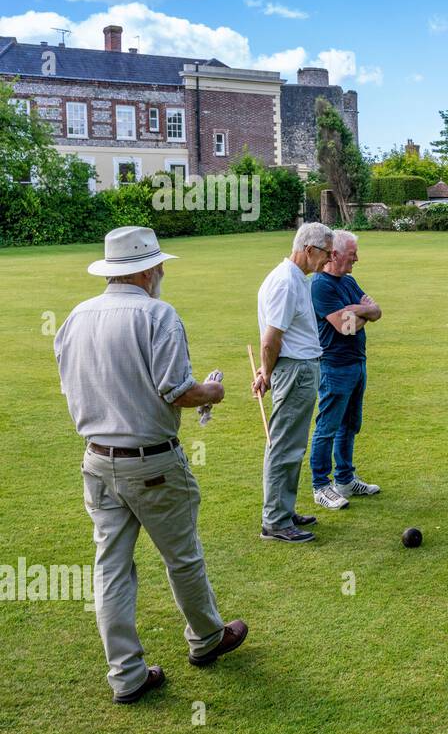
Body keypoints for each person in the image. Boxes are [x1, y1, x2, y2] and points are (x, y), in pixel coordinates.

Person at [53, 226, 247, 704]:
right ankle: (206, 638)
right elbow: (178, 391)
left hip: (96, 460)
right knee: (181, 555)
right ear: (143, 270)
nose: (162, 271)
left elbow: (70, 386)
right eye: (157, 264)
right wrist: (214, 392)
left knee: (111, 569)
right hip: (152, 461)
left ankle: (126, 674)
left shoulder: (75, 317)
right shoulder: (158, 315)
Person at [253, 222, 334, 542]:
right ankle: (274, 521)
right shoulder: (286, 282)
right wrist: (266, 372)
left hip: (300, 369)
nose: (328, 261)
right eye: (326, 254)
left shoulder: (298, 279)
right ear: (309, 250)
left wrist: (267, 370)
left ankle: (284, 511)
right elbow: (271, 339)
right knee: (284, 447)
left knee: (292, 446)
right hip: (295, 371)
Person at [310, 230, 383, 506]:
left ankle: (345, 480)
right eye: (352, 255)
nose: (357, 259)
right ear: (336, 254)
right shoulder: (320, 285)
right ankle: (320, 486)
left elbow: (377, 312)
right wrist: (359, 311)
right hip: (334, 366)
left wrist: (355, 310)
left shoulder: (349, 281)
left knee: (350, 425)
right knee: (327, 426)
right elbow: (345, 327)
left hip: (357, 363)